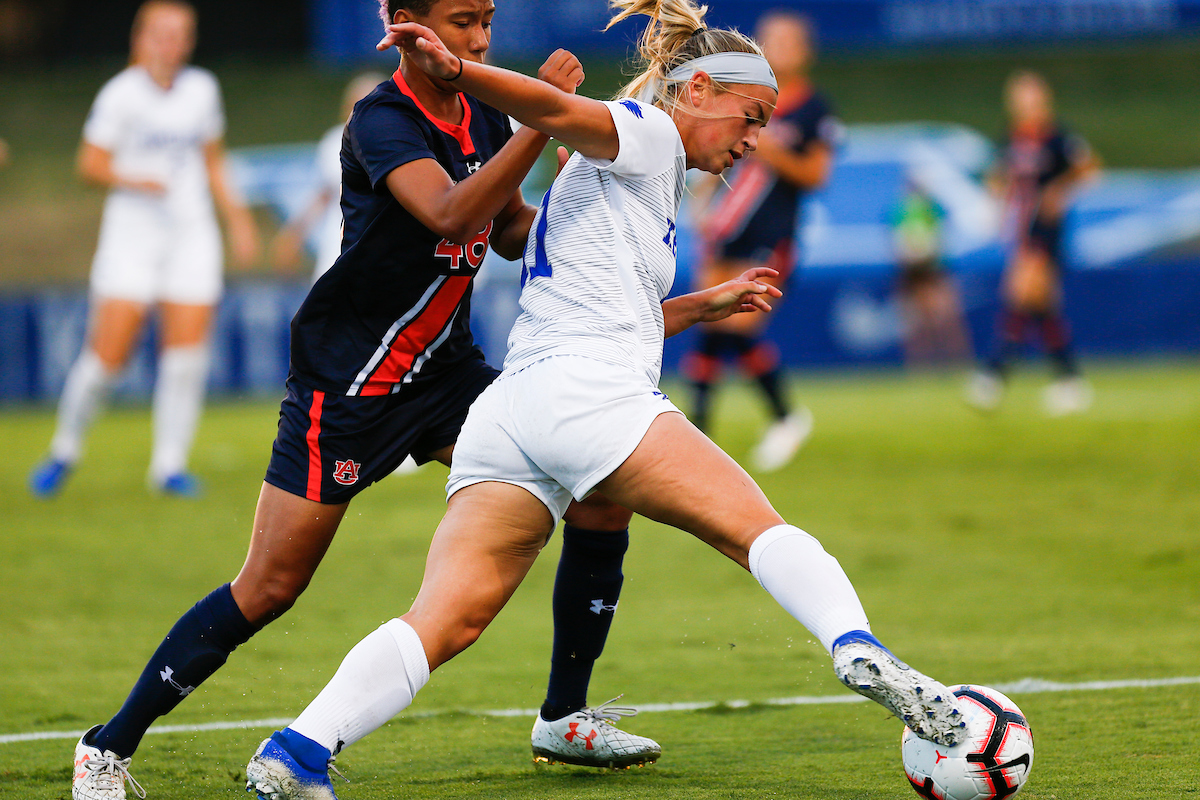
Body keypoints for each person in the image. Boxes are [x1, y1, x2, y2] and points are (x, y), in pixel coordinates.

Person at [245, 3, 967, 797]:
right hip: (588, 397)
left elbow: (607, 307)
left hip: (514, 409)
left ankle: (299, 749)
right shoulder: (649, 132)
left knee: (444, 619)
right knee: (755, 529)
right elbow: (554, 109)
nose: (755, 138)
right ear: (694, 91)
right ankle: (856, 643)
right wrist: (461, 74)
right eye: (751, 115)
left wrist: (701, 304)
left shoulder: (622, 181)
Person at [69, 3, 660, 799]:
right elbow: (451, 213)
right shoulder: (379, 120)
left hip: (447, 377)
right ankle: (106, 747)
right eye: (461, 21)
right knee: (270, 587)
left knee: (600, 486)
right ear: (409, 23)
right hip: (349, 384)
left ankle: (564, 719)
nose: (480, 39)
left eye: (486, 19)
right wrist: (540, 125)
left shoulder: (486, 110)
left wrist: (603, 190)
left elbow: (513, 231)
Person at [29, 0, 260, 499]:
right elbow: (89, 164)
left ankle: (169, 465)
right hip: (132, 237)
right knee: (106, 357)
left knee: (186, 355)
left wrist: (237, 220)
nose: (171, 43)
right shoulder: (122, 96)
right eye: (162, 33)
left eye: (181, 33)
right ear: (142, 37)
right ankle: (65, 449)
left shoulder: (201, 89)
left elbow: (213, 161)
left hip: (190, 235)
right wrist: (136, 179)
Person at [681, 9, 838, 472]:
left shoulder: (814, 108)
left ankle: (787, 416)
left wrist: (771, 149)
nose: (774, 48)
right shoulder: (743, 98)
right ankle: (696, 439)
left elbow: (816, 174)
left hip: (773, 233)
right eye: (768, 40)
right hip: (728, 228)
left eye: (785, 41)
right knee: (709, 325)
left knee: (736, 328)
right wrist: (703, 198)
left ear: (805, 50)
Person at [967, 70, 1099, 416]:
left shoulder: (1057, 136)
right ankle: (1070, 381)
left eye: (1030, 95)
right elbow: (1000, 176)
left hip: (1046, 229)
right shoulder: (1011, 138)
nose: (1024, 102)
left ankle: (992, 375)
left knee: (1019, 291)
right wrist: (995, 204)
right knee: (1041, 303)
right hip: (1022, 228)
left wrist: (1060, 189)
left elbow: (1089, 167)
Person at [270, 73, 385, 284]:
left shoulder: (400, 147)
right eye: (356, 106)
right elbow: (325, 194)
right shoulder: (335, 142)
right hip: (337, 251)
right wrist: (295, 234)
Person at [891, 179, 972, 366]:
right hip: (915, 268)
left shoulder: (926, 209)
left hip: (932, 267)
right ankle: (925, 363)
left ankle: (954, 360)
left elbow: (938, 238)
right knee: (918, 317)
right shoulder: (905, 210)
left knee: (943, 315)